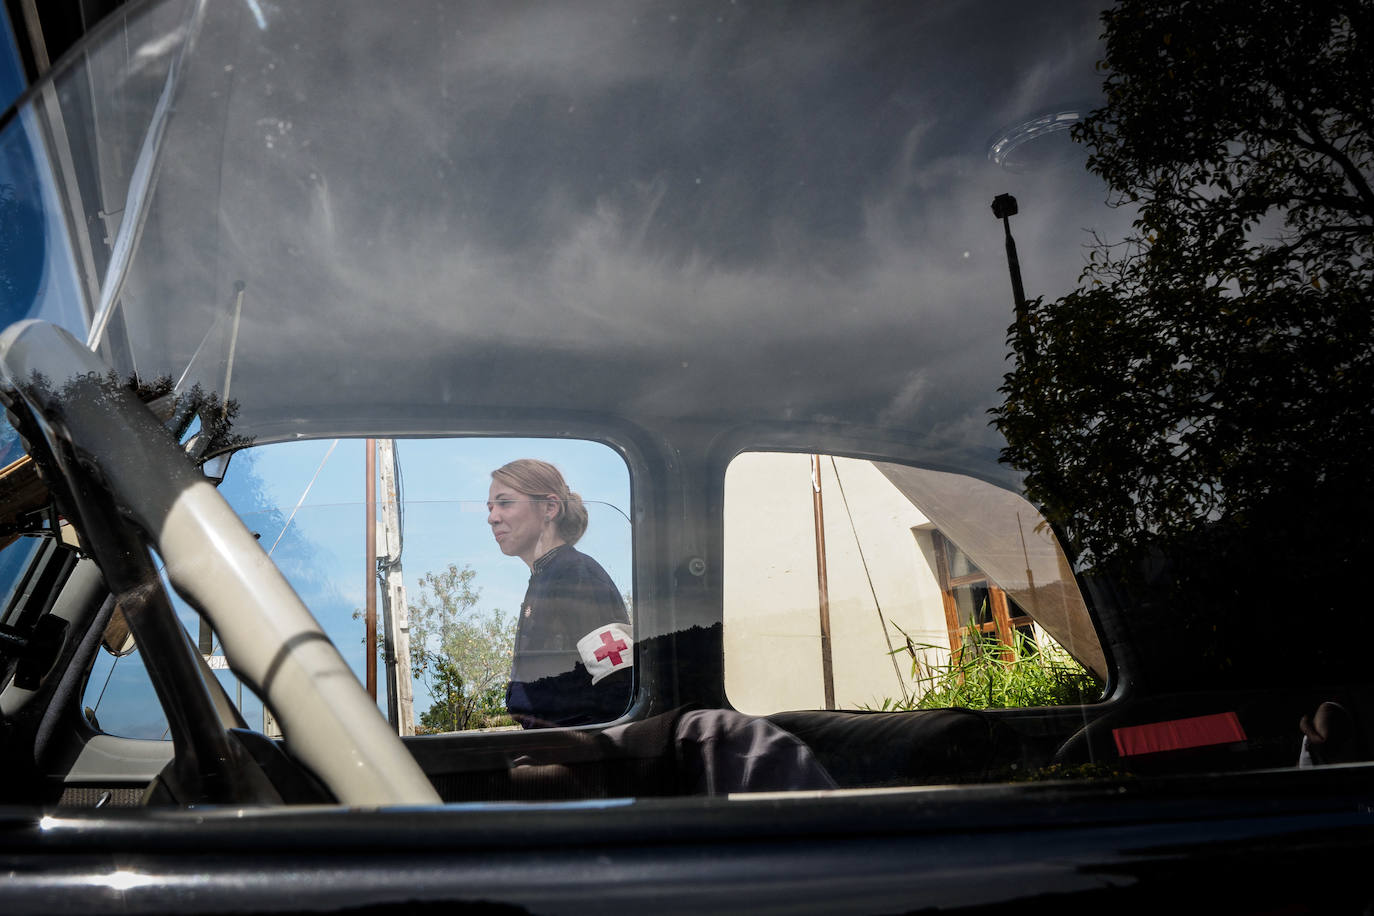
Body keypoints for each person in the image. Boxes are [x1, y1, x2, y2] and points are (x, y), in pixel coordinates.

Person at [489, 459, 633, 728]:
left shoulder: (576, 574)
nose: (492, 517)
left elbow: (618, 683)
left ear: (550, 508)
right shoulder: (545, 576)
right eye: (490, 507)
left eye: (505, 503)